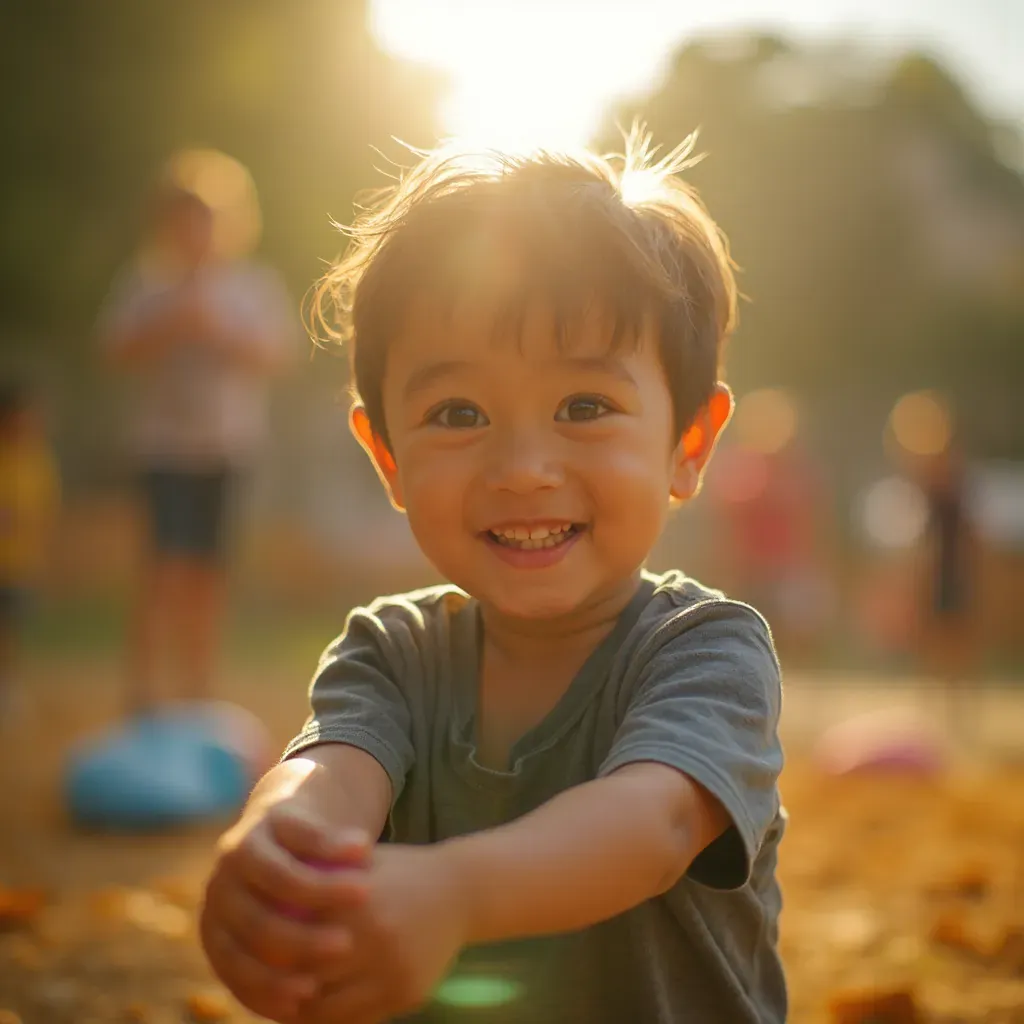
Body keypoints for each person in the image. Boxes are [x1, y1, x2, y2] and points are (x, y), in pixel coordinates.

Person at [199, 132, 786, 1024]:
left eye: (583, 407)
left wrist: (457, 893)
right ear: (387, 456)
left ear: (690, 444)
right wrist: (278, 848)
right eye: (458, 412)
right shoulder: (392, 654)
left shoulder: (705, 650)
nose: (521, 468)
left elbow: (653, 824)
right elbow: (331, 777)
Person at [99, 150, 297, 713]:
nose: (193, 232)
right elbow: (113, 349)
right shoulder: (145, 283)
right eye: (181, 221)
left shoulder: (252, 285)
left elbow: (278, 356)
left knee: (209, 573)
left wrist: (220, 334)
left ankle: (196, 689)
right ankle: (143, 691)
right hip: (163, 449)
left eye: (203, 220)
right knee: (162, 568)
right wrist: (168, 326)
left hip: (226, 449)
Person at [0, 381, 60, 713]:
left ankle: (8, 684)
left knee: (11, 627)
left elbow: (43, 512)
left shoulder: (38, 461)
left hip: (20, 562)